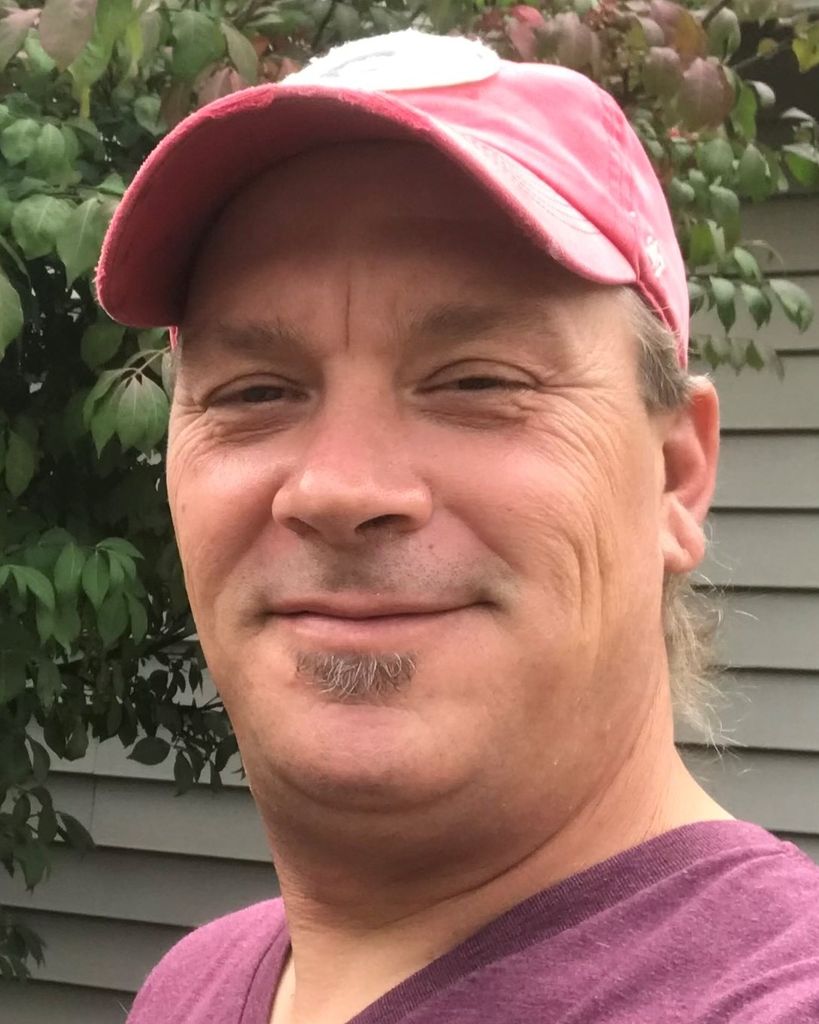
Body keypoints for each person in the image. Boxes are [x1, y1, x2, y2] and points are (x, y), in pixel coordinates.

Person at [97, 29, 819, 1024]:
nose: (339, 488)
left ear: (676, 475)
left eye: (477, 381)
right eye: (256, 391)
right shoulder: (192, 989)